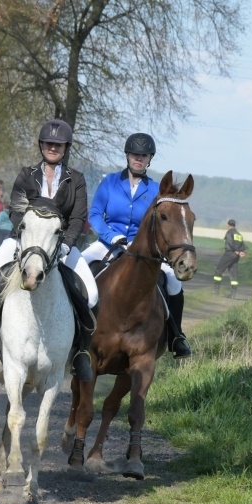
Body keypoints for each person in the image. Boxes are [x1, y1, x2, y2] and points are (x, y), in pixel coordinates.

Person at [0, 119, 98, 381]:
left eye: (58, 144)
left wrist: (65, 244)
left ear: (66, 147)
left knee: (91, 292)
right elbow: (16, 210)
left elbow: (78, 218)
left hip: (61, 246)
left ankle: (81, 353)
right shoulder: (26, 174)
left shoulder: (76, 180)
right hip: (23, 242)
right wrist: (25, 242)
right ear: (41, 145)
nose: (53, 148)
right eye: (49, 143)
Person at [81, 132, 191, 358]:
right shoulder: (110, 182)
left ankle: (176, 336)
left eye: (143, 155)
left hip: (142, 249)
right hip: (108, 244)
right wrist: (111, 236)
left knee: (173, 282)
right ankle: (75, 333)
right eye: (134, 154)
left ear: (149, 158)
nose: (138, 159)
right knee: (77, 269)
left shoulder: (156, 190)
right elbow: (95, 214)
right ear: (127, 156)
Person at [212, 219, 246, 299]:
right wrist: (241, 251)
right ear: (235, 225)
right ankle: (233, 294)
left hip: (229, 253)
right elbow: (243, 245)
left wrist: (236, 250)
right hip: (236, 256)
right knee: (234, 274)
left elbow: (230, 243)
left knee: (218, 270)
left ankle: (216, 290)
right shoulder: (239, 234)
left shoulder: (229, 233)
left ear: (228, 225)